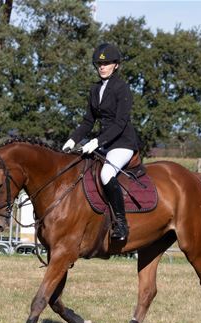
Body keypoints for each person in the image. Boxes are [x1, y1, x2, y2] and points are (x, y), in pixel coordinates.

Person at [62, 43, 139, 241]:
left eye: (106, 63)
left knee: (106, 173)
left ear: (116, 65)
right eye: (99, 64)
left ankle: (121, 224)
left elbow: (121, 123)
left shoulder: (122, 88)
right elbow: (88, 121)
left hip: (122, 143)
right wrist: (72, 139)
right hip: (103, 143)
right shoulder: (95, 89)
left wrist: (97, 141)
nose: (102, 67)